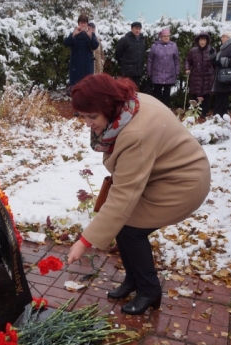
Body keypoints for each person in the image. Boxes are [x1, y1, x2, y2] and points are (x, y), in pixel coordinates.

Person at [66, 74, 210, 315]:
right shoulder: (130, 105)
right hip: (162, 176)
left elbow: (122, 198)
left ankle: (149, 291)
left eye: (92, 117)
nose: (88, 124)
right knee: (124, 224)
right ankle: (133, 281)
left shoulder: (135, 133)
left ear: (109, 106)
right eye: (83, 117)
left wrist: (85, 241)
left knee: (130, 229)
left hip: (183, 184)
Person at [63, 14, 99, 90]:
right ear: (78, 24)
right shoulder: (74, 33)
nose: (82, 25)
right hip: (76, 66)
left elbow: (95, 46)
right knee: (76, 88)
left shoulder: (91, 34)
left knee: (88, 88)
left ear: (87, 24)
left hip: (87, 65)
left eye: (84, 23)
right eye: (81, 23)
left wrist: (90, 37)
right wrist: (73, 35)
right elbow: (66, 43)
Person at [146, 28, 179, 107]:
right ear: (161, 37)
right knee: (157, 92)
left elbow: (176, 60)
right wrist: (149, 72)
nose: (166, 37)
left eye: (168, 36)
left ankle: (166, 109)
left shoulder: (173, 46)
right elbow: (150, 60)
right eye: (164, 36)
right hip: (157, 73)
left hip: (169, 73)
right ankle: (157, 108)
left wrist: (177, 71)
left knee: (167, 93)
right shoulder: (155, 46)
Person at [184, 32, 215, 117]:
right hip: (196, 76)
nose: (202, 42)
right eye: (201, 40)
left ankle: (203, 113)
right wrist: (187, 68)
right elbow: (187, 60)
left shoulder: (211, 50)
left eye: (204, 40)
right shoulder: (193, 51)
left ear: (207, 41)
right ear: (198, 41)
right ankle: (194, 111)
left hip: (207, 77)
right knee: (195, 94)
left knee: (206, 95)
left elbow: (215, 62)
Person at [212, 30, 231, 118]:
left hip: (226, 78)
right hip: (223, 78)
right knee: (221, 99)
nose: (221, 38)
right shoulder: (225, 47)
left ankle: (219, 118)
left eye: (223, 36)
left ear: (228, 38)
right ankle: (219, 117)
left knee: (222, 99)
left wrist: (220, 61)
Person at [115, 22, 145, 88]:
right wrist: (123, 64)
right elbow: (118, 53)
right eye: (136, 28)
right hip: (127, 71)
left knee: (136, 91)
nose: (137, 30)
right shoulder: (125, 40)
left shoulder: (142, 41)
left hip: (137, 72)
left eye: (139, 29)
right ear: (132, 29)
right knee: (126, 90)